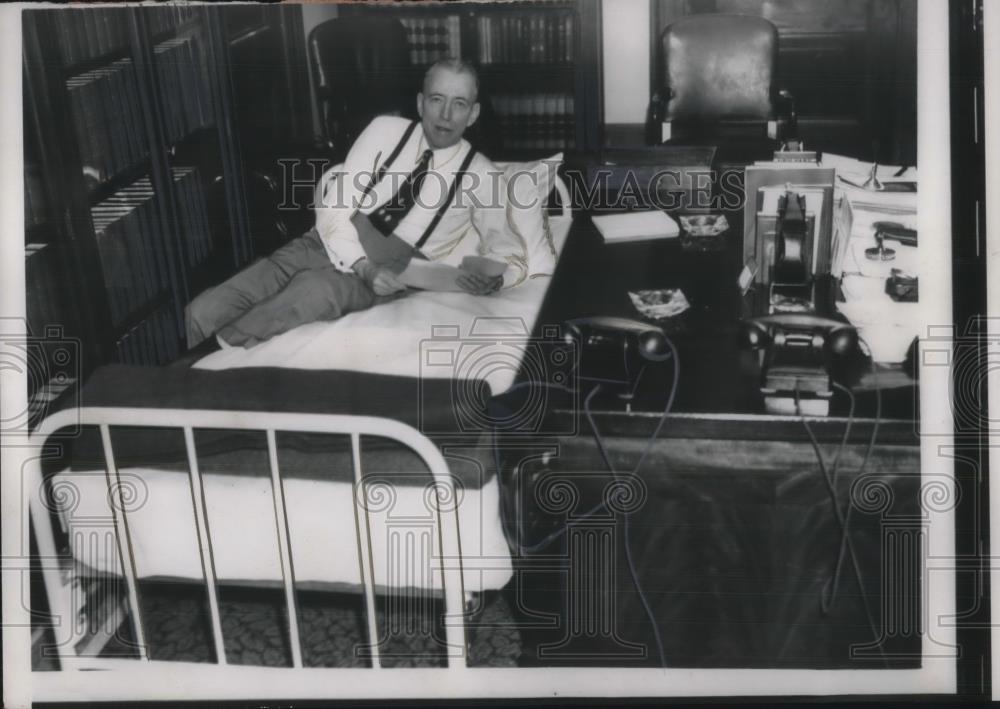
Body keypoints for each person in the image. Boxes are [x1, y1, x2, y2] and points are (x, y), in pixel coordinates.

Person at [185, 58, 527, 349]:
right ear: (421, 103)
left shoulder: (483, 175)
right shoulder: (384, 131)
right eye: (438, 99)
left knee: (313, 290)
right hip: (324, 243)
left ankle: (198, 372)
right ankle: (194, 377)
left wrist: (492, 275)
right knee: (203, 310)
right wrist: (363, 264)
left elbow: (506, 249)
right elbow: (335, 208)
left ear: (474, 113)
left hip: (389, 273)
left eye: (460, 104)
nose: (447, 114)